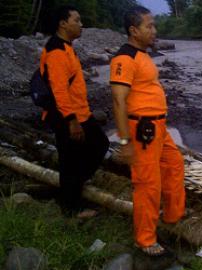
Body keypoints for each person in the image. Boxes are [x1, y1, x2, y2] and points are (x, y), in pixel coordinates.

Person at [109, 6, 186, 256]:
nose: (154, 30)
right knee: (147, 185)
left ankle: (172, 216)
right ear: (134, 30)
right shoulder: (124, 58)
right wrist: (125, 142)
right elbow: (119, 101)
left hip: (158, 127)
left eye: (154, 25)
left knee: (174, 165)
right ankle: (145, 240)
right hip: (142, 131)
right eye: (149, 26)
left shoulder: (141, 54)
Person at [40, 5, 109, 218]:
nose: (81, 25)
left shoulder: (67, 47)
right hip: (67, 116)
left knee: (96, 146)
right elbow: (59, 90)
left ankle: (73, 189)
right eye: (77, 20)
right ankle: (71, 209)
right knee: (72, 159)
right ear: (63, 23)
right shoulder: (56, 51)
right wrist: (71, 121)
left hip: (80, 112)